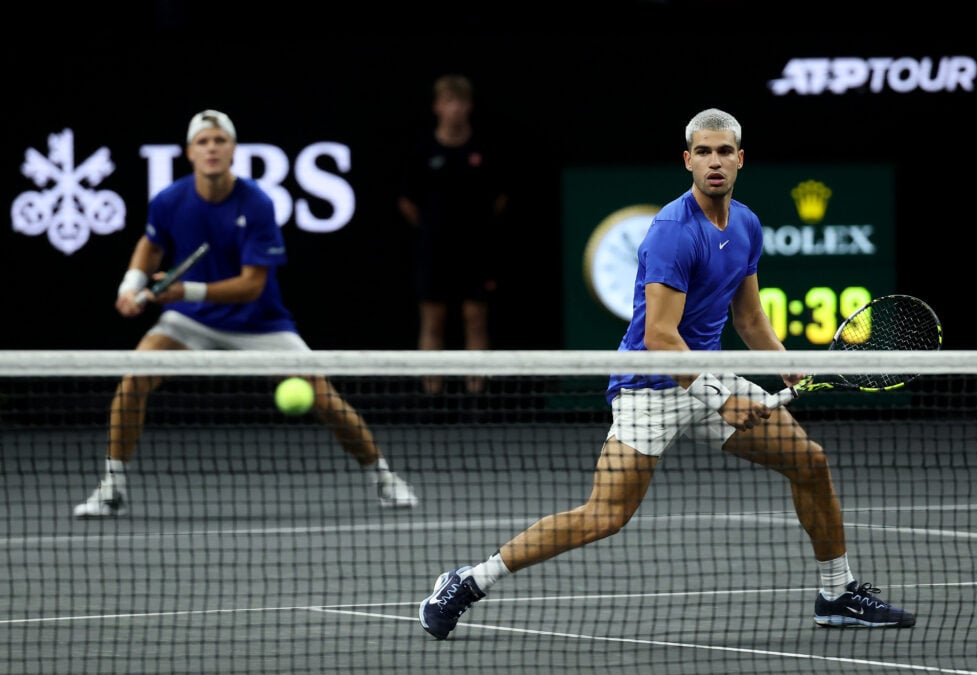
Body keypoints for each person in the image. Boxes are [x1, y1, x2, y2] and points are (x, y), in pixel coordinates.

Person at [418, 108, 915, 637]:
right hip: (650, 387)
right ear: (688, 161)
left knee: (809, 463)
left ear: (740, 159)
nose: (715, 162)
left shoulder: (745, 223)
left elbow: (747, 315)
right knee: (604, 515)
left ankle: (837, 593)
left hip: (705, 377)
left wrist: (783, 362)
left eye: (724, 151)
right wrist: (722, 398)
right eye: (703, 152)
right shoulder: (672, 233)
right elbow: (659, 338)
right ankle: (469, 580)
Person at [73, 109, 418, 518]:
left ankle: (383, 477)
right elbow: (150, 246)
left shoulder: (256, 202)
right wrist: (130, 286)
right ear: (190, 152)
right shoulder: (169, 200)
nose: (212, 148)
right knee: (133, 381)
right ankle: (111, 487)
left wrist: (185, 289)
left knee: (323, 397)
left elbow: (252, 284)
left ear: (233, 150)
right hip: (189, 320)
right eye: (203, 142)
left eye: (220, 140)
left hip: (260, 322)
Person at [397, 74, 509, 394]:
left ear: (469, 106)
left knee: (476, 320)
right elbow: (407, 201)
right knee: (433, 322)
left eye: (460, 102)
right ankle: (433, 400)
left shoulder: (483, 150)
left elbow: (500, 197)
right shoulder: (423, 151)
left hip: (476, 251)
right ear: (437, 107)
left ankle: (477, 399)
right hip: (433, 251)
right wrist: (432, 228)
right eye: (449, 102)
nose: (455, 109)